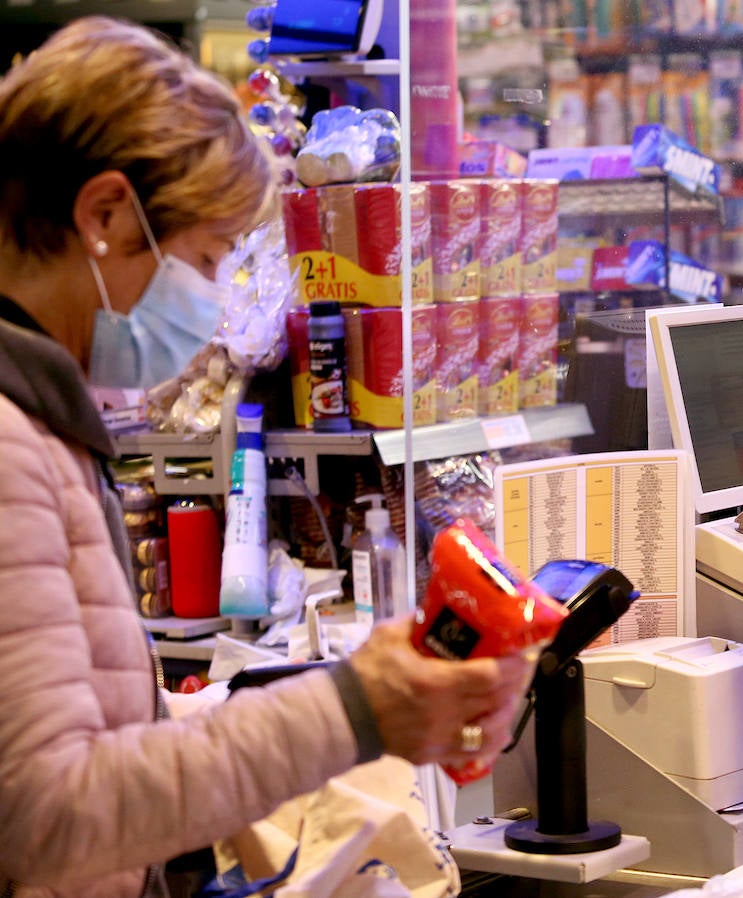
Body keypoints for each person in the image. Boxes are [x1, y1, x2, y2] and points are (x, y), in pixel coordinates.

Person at [0, 17, 537, 897]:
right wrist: (351, 709)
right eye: (205, 260)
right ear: (102, 216)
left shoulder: (42, 424)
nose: (211, 305)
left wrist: (200, 720)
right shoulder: (10, 446)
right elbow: (50, 812)